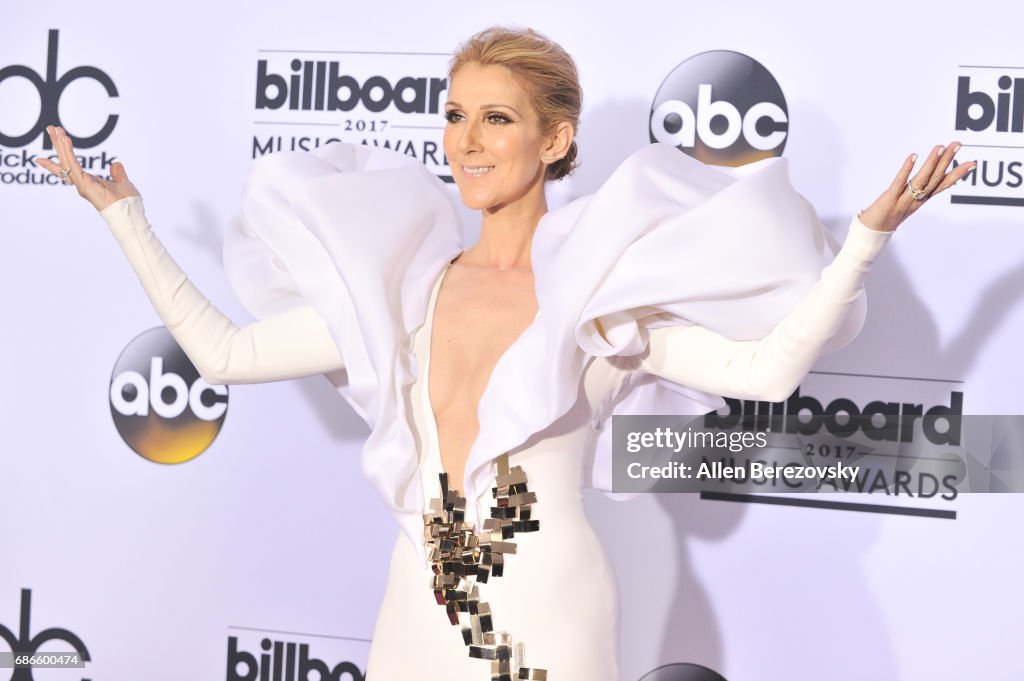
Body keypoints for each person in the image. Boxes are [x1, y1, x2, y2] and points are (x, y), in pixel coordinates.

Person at [37, 25, 974, 681]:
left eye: (496, 118)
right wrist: (125, 217)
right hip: (414, 610)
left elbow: (766, 371)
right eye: (455, 115)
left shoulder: (597, 299)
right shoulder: (402, 291)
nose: (466, 142)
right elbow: (227, 351)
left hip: (550, 615)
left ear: (555, 138)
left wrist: (862, 240)